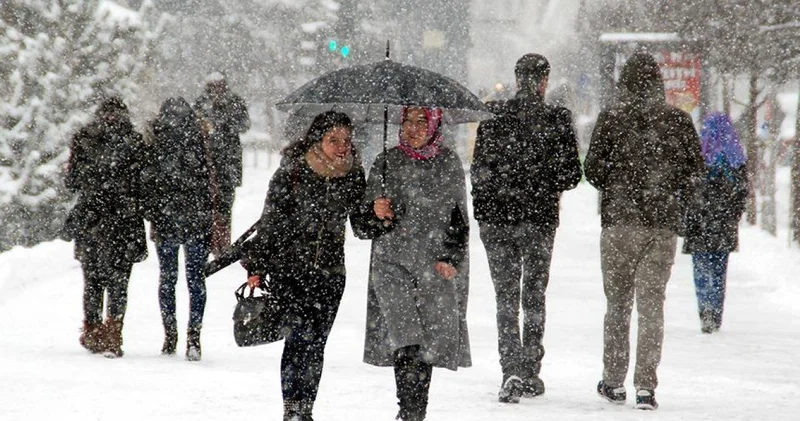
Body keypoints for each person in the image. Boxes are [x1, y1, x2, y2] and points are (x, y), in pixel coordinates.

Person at [584, 52, 705, 410]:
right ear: (659, 83)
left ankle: (613, 380)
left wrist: (617, 183)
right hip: (661, 225)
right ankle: (646, 386)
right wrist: (668, 189)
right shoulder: (678, 121)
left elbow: (591, 169)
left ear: (624, 83)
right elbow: (696, 172)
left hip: (620, 223)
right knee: (652, 307)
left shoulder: (611, 119)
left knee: (618, 305)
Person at [471, 53, 582, 403]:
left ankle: (511, 369)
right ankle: (532, 369)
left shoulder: (493, 116)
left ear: (517, 78)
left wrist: (485, 212)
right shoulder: (557, 119)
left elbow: (479, 171)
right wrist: (543, 178)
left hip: (498, 220)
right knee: (534, 295)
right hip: (539, 219)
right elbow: (571, 176)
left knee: (505, 297)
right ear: (544, 80)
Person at [242, 111, 365, 421]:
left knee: (316, 344)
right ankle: (293, 409)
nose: (341, 147)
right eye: (333, 140)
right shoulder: (292, 173)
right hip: (291, 272)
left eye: (346, 141)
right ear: (317, 140)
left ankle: (305, 408)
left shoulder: (352, 176)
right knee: (298, 339)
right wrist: (256, 265)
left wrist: (379, 211)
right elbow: (270, 224)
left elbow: (363, 226)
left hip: (331, 275)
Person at [353, 107, 471, 421]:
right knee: (405, 338)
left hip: (432, 266)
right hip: (391, 264)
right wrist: (375, 213)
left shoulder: (448, 163)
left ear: (435, 126)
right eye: (408, 121)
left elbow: (459, 219)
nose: (413, 128)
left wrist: (451, 257)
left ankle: (415, 410)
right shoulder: (386, 162)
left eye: (422, 122)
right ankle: (408, 410)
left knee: (426, 342)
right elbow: (361, 226)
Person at [64, 96, 148, 358]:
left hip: (92, 219)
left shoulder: (84, 138)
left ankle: (92, 330)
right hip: (124, 220)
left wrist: (93, 187)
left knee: (92, 281)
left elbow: (72, 181)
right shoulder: (134, 142)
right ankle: (113, 333)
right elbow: (143, 183)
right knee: (119, 280)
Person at [143, 97, 214, 360]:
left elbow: (148, 181)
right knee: (196, 280)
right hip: (196, 219)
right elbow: (212, 181)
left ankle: (169, 335)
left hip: (166, 220)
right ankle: (193, 337)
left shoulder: (155, 141)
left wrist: (153, 212)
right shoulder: (200, 139)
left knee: (167, 279)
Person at [683, 112, 748, 334]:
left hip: (699, 221)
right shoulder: (736, 157)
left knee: (701, 268)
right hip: (724, 223)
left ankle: (705, 309)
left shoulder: (700, 153)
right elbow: (742, 192)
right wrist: (733, 215)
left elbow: (687, 188)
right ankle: (716, 311)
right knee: (720, 270)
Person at [193, 72, 250, 255]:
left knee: (225, 205)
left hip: (228, 162)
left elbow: (244, 124)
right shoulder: (201, 103)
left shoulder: (234, 102)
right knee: (206, 205)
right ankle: (208, 241)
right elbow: (194, 126)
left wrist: (225, 123)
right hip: (206, 162)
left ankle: (223, 243)